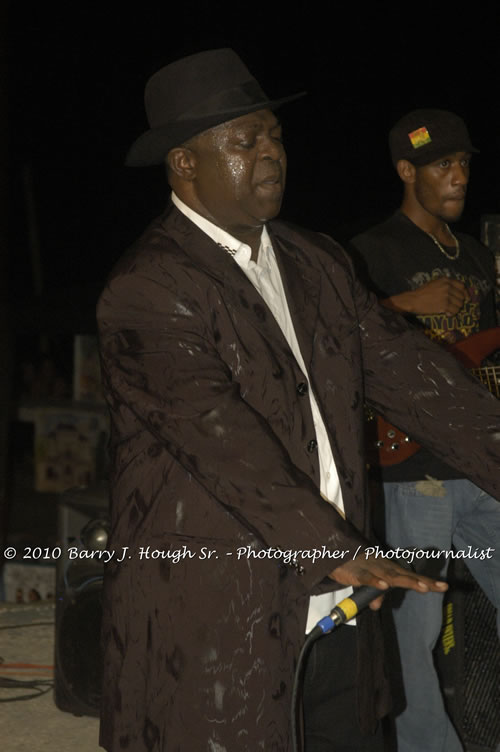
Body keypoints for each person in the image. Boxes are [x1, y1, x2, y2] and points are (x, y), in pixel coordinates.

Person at [97, 55, 500, 752]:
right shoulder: (149, 287)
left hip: (342, 603)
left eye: (274, 135)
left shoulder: (317, 262)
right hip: (220, 614)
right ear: (184, 164)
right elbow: (217, 434)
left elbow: (418, 378)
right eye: (243, 142)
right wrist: (330, 546)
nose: (270, 154)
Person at [350, 109, 500, 752]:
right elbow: (332, 336)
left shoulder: (475, 253)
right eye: (443, 163)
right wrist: (403, 305)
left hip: (480, 467)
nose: (458, 174)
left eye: (464, 161)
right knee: (412, 639)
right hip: (413, 477)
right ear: (406, 171)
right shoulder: (369, 251)